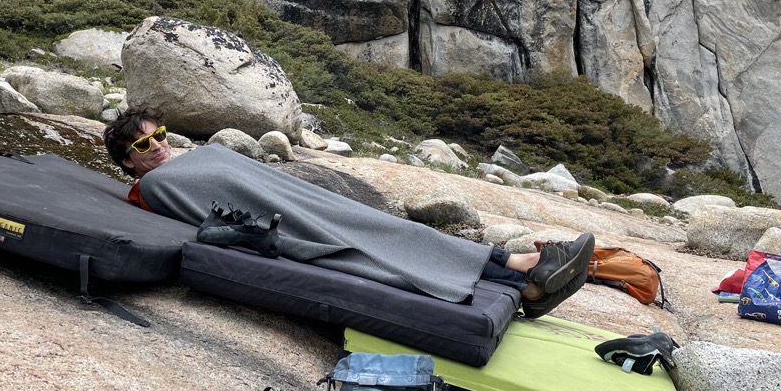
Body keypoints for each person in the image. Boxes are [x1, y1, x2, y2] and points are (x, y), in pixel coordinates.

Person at [104, 108, 593, 317]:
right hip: (284, 223)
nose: (159, 146)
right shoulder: (150, 186)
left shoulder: (180, 165)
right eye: (144, 144)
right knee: (377, 240)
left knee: (388, 229)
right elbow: (206, 211)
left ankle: (521, 281)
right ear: (128, 161)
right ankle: (521, 270)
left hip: (293, 200)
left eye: (160, 134)